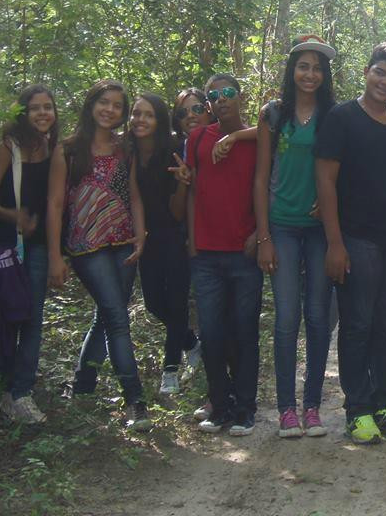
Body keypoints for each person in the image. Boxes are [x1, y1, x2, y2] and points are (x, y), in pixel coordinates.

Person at [315, 41, 386, 445]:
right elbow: (325, 181)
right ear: (366, 71)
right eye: (380, 73)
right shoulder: (341, 118)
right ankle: (357, 409)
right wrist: (334, 243)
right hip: (357, 238)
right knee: (357, 324)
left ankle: (383, 403)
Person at [46, 79, 151, 432]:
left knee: (105, 317)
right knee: (118, 319)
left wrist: (140, 237)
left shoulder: (125, 149)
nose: (110, 109)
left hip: (123, 243)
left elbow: (134, 195)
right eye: (104, 102)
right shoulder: (68, 150)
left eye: (117, 105)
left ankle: (83, 385)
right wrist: (55, 256)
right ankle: (136, 401)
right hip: (86, 247)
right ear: (92, 104)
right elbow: (55, 204)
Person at [254, 35, 337, 439]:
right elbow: (260, 176)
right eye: (303, 66)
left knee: (318, 317)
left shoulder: (334, 116)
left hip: (320, 230)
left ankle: (312, 406)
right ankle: (286, 408)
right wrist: (263, 236)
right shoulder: (273, 114)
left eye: (317, 68)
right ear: (292, 71)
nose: (310, 74)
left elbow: (345, 169)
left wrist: (332, 203)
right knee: (287, 317)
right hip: (282, 226)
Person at [186, 74, 261, 437]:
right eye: (214, 96)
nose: (221, 99)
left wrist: (260, 234)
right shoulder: (198, 138)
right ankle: (220, 404)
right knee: (212, 334)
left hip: (244, 253)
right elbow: (190, 189)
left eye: (228, 93)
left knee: (245, 332)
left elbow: (268, 186)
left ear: (240, 96)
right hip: (206, 254)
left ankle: (245, 408)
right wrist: (191, 239)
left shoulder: (258, 138)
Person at [0, 84, 58, 424]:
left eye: (48, 107)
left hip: (38, 246)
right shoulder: (8, 147)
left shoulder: (52, 146)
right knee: (7, 316)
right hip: (7, 247)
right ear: (23, 113)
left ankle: (21, 392)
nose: (42, 113)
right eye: (35, 108)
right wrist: (14, 216)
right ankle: (9, 388)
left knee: (32, 318)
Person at [129, 94, 200, 396]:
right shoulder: (128, 150)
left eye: (148, 115)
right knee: (154, 303)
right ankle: (192, 343)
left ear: (159, 120)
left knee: (176, 301)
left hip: (176, 234)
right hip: (148, 236)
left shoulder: (173, 149)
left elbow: (179, 208)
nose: (141, 120)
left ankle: (170, 369)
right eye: (136, 114)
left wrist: (183, 182)